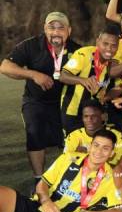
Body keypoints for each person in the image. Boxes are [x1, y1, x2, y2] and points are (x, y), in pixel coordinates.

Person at [0, 11, 81, 189]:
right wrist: (33, 74)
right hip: (35, 100)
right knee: (34, 132)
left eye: (61, 28)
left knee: (71, 139)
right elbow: (5, 67)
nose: (56, 31)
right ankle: (39, 178)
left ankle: (68, 178)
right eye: (51, 27)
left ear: (69, 30)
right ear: (45, 29)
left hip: (64, 102)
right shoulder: (31, 45)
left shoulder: (77, 50)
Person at [0, 129, 122, 212]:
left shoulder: (113, 178)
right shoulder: (68, 158)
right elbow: (43, 183)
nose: (99, 151)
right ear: (90, 147)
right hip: (38, 206)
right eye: (96, 145)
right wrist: (46, 201)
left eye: (105, 148)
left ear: (112, 153)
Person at [59, 25, 120, 135]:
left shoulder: (113, 64)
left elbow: (109, 91)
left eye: (113, 46)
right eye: (105, 44)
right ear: (98, 42)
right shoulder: (84, 54)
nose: (109, 49)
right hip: (73, 113)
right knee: (75, 149)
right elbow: (63, 76)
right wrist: (82, 80)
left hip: (95, 115)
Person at [64, 99, 122, 166]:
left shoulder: (117, 136)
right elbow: (65, 162)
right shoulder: (74, 136)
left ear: (103, 117)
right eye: (86, 116)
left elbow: (119, 165)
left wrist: (84, 158)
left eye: (94, 116)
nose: (89, 120)